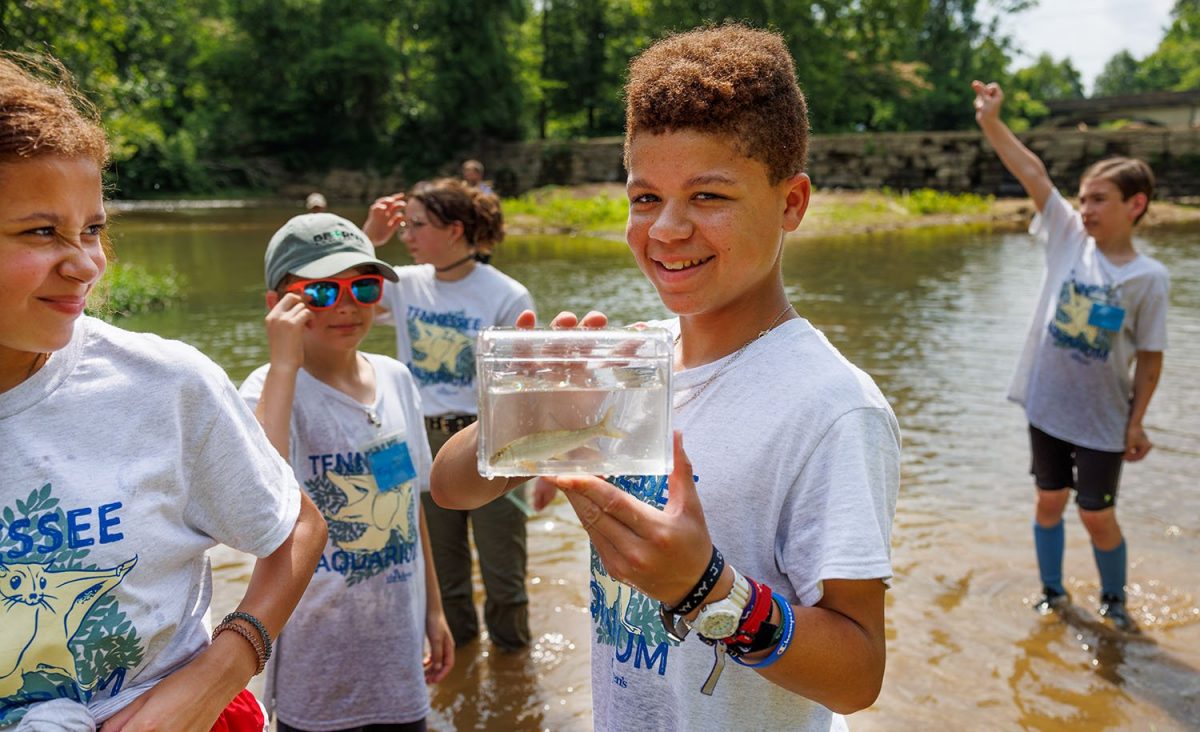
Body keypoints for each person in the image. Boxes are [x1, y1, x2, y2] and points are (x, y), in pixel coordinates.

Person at [429, 25, 901, 730]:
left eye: (709, 196)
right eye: (645, 197)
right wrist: (524, 422)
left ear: (792, 203)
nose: (666, 230)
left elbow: (857, 676)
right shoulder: (631, 361)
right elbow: (450, 487)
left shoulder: (831, 407)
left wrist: (706, 589)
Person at [0, 53, 327, 729]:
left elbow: (296, 525)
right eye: (42, 231)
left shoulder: (165, 385)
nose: (87, 263)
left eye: (92, 228)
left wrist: (218, 674)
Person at [239, 213, 454, 731]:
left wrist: (434, 610)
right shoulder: (263, 392)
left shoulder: (398, 379)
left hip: (396, 661)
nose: (347, 305)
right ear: (279, 304)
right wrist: (284, 366)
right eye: (321, 292)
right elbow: (263, 514)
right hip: (316, 672)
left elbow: (406, 507)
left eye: (363, 285)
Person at [972, 80, 1168, 632]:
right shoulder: (1066, 237)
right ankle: (1053, 594)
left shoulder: (1149, 279)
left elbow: (1150, 360)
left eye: (1098, 199)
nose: (1085, 209)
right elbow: (1032, 172)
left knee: (1096, 513)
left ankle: (1114, 601)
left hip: (1104, 420)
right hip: (1047, 407)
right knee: (1049, 503)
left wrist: (1138, 422)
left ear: (1136, 205)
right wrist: (990, 122)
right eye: (1082, 198)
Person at [363, 178, 535, 652]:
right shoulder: (404, 283)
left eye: (417, 225)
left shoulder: (506, 295)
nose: (407, 235)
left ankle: (513, 671)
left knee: (505, 575)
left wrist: (537, 475)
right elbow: (342, 294)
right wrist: (369, 239)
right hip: (416, 441)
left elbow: (525, 394)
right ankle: (458, 672)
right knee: (441, 571)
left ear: (455, 229)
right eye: (404, 226)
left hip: (490, 442)